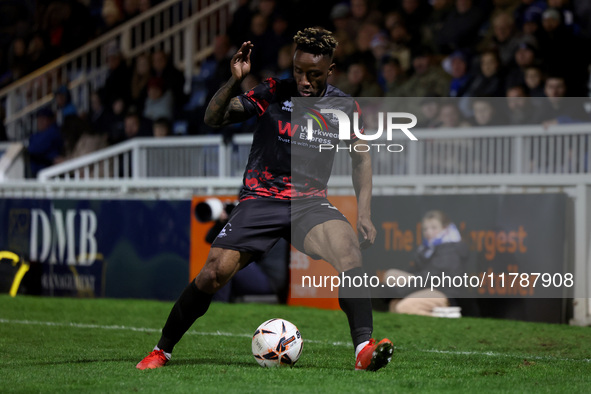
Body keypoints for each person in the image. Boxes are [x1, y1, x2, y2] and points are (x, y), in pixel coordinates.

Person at [136, 27, 393, 372]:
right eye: (299, 71)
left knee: (349, 253)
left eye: (313, 75)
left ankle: (364, 350)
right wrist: (233, 81)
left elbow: (361, 158)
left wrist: (365, 213)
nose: (303, 80)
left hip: (309, 203)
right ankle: (161, 350)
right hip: (261, 198)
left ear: (330, 71)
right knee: (213, 273)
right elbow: (214, 118)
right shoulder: (272, 91)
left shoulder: (343, 106)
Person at [382, 210, 468, 317]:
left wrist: (402, 290)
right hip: (427, 285)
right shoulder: (426, 248)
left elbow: (432, 278)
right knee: (391, 279)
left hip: (443, 291)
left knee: (402, 308)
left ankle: (444, 315)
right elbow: (416, 272)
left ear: (445, 228)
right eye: (425, 229)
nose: (429, 232)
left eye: (434, 227)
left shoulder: (450, 248)